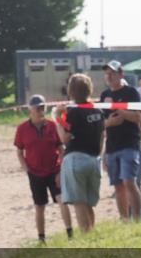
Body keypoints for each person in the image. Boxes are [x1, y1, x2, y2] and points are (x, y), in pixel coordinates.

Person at [14, 95, 73, 243]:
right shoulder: (22, 129)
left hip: (54, 171)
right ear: (30, 110)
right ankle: (41, 238)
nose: (41, 110)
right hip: (35, 173)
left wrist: (61, 170)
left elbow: (61, 149)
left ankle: (70, 234)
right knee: (40, 206)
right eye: (38, 108)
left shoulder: (52, 126)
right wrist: (26, 169)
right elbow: (20, 152)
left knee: (62, 200)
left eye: (43, 107)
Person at [54, 74, 104, 233]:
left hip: (76, 158)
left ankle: (86, 235)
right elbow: (102, 135)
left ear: (71, 91)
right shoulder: (98, 110)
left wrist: (57, 117)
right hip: (94, 159)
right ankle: (92, 233)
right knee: (88, 203)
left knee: (78, 202)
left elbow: (65, 138)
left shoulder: (72, 112)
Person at [99, 61, 141, 222]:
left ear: (121, 74)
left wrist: (121, 112)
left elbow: (138, 117)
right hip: (112, 146)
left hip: (130, 143)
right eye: (107, 73)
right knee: (118, 186)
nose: (109, 76)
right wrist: (109, 123)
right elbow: (102, 123)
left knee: (129, 182)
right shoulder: (104, 95)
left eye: (112, 73)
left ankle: (137, 219)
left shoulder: (131, 92)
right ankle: (124, 219)